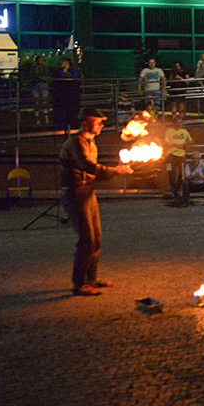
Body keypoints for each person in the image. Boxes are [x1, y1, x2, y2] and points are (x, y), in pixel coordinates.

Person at [60, 108, 132, 295]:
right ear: (85, 124)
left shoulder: (91, 142)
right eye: (98, 121)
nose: (102, 124)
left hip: (87, 191)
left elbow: (92, 172)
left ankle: (91, 279)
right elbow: (89, 167)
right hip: (75, 193)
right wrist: (117, 171)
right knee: (87, 239)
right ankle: (79, 283)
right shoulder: (76, 142)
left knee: (96, 238)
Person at [163, 111, 192, 199]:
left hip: (181, 155)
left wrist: (185, 144)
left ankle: (177, 188)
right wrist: (176, 145)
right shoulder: (169, 131)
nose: (179, 124)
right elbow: (166, 142)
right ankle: (174, 191)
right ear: (174, 123)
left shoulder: (184, 131)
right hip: (170, 155)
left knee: (181, 172)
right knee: (171, 173)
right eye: (177, 123)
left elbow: (190, 140)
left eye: (180, 123)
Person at [50, 56, 80, 133]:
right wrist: (64, 71)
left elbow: (74, 77)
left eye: (63, 62)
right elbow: (60, 78)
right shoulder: (60, 70)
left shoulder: (73, 70)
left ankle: (72, 123)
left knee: (71, 108)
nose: (62, 63)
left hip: (71, 91)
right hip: (62, 91)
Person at [29, 54, 50, 126]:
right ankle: (41, 118)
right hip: (38, 84)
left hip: (40, 84)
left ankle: (44, 118)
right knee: (37, 102)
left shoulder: (43, 68)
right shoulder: (36, 68)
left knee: (43, 101)